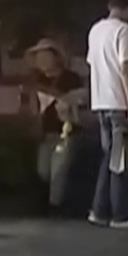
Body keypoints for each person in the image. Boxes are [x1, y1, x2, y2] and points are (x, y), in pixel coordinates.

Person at [86, 0, 128, 229]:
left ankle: (99, 210)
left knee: (108, 157)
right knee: (119, 161)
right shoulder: (123, 31)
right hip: (118, 102)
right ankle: (120, 214)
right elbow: (126, 70)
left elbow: (92, 64)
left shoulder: (95, 30)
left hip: (100, 102)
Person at [25, 38, 86, 216]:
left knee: (59, 171)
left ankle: (56, 208)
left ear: (56, 57)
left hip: (66, 133)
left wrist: (58, 96)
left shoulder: (71, 78)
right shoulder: (37, 80)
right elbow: (32, 107)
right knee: (43, 171)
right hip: (46, 135)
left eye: (45, 56)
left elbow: (81, 99)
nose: (42, 61)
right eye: (38, 58)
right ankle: (45, 206)